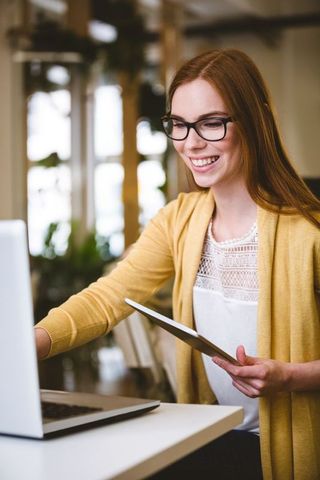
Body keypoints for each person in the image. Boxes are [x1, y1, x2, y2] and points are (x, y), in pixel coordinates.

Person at [35, 49, 320, 479]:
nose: (191, 143)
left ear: (253, 121)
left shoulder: (309, 233)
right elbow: (107, 297)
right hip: (214, 433)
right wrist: (27, 345)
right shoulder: (179, 220)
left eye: (211, 122)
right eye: (179, 125)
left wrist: (291, 377)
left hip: (288, 450)